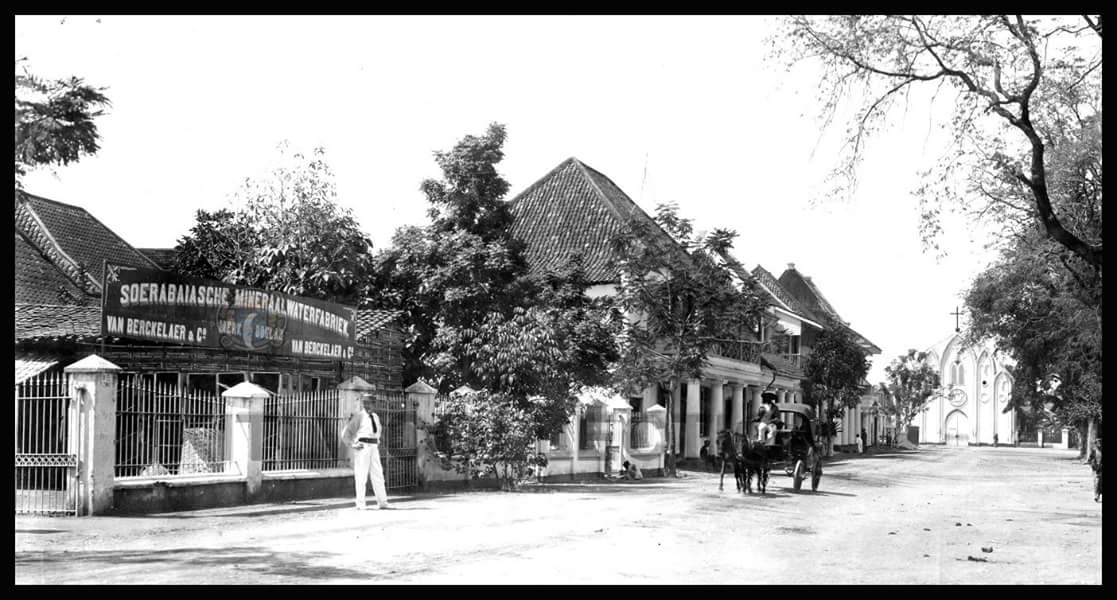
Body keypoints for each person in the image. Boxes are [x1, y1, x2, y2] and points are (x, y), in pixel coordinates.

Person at [341, 394, 393, 510]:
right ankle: (360, 504)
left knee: (378, 475)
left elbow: (378, 432)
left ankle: (383, 502)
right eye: (366, 402)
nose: (368, 405)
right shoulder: (358, 416)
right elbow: (346, 433)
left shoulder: (375, 417)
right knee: (361, 475)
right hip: (362, 447)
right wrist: (353, 444)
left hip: (374, 447)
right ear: (363, 403)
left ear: (374, 404)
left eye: (371, 403)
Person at [1087, 438, 1102, 503]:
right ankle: (1096, 496)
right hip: (1095, 469)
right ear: (1096, 444)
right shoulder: (1094, 451)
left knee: (1100, 483)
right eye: (1098, 443)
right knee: (1096, 483)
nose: (1099, 444)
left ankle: (1098, 495)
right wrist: (1092, 464)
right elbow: (1089, 459)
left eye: (1100, 443)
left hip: (1101, 469)